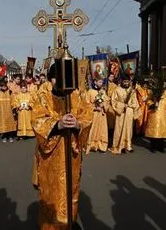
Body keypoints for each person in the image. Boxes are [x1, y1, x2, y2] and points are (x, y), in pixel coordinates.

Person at [31, 64, 93, 229]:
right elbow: (37, 121)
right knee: (50, 193)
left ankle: (69, 222)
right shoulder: (43, 97)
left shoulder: (77, 97)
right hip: (50, 157)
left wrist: (78, 124)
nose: (60, 82)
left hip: (71, 156)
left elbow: (87, 116)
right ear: (50, 79)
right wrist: (56, 124)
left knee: (71, 190)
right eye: (55, 77)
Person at [110, 73, 140, 154]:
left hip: (129, 112)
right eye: (125, 81)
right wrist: (122, 105)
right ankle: (119, 145)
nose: (126, 83)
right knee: (119, 129)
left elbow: (135, 102)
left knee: (128, 129)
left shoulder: (132, 91)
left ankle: (128, 145)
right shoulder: (117, 90)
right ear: (122, 81)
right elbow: (113, 101)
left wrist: (130, 105)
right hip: (121, 113)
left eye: (127, 81)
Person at [85, 77, 110, 154]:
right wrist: (95, 107)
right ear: (95, 82)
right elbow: (86, 103)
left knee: (102, 129)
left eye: (102, 82)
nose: (101, 83)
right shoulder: (90, 91)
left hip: (102, 114)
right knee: (93, 128)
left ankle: (101, 145)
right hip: (94, 114)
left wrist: (103, 105)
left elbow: (107, 101)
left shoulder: (103, 92)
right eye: (99, 82)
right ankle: (91, 145)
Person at [145, 89, 166, 153]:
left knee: (162, 131)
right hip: (154, 114)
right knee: (154, 131)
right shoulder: (153, 91)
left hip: (163, 115)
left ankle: (161, 147)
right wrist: (152, 105)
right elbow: (148, 100)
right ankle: (153, 146)